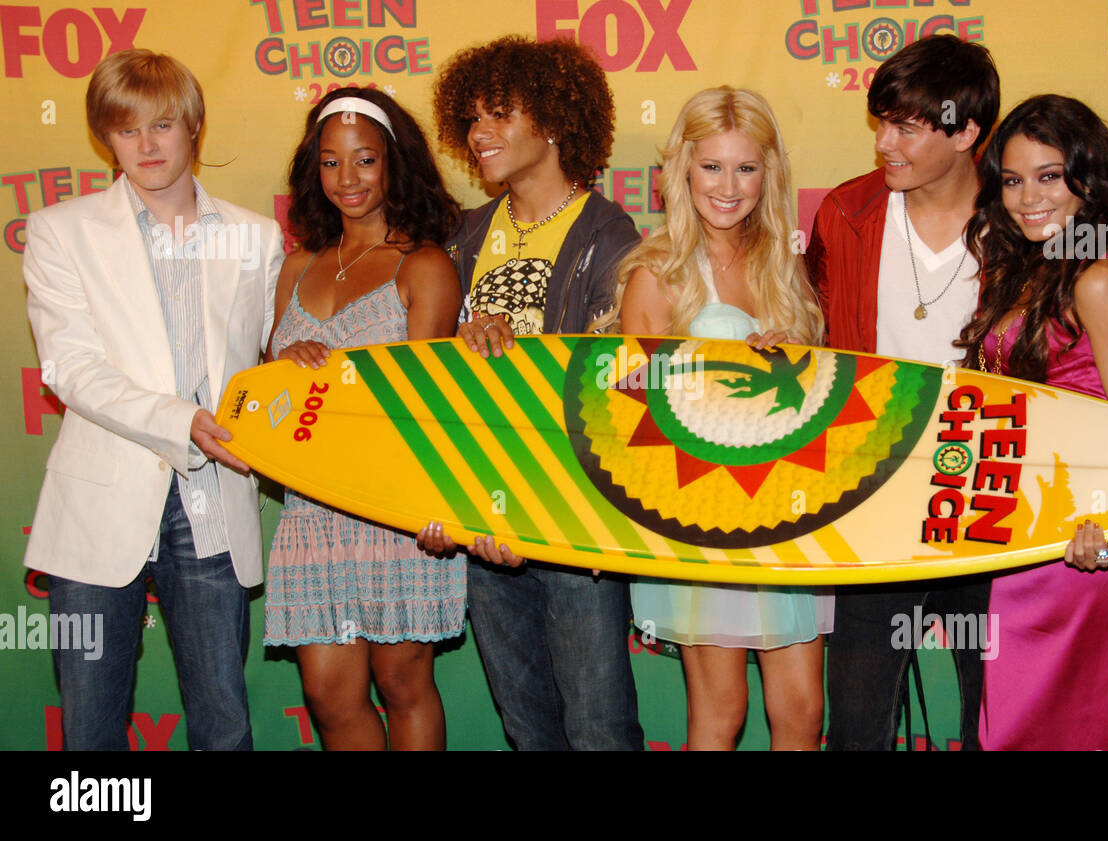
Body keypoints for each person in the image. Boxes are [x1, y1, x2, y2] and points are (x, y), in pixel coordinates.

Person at [22, 49, 284, 750]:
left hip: (214, 500)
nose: (145, 145)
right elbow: (71, 369)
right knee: (91, 730)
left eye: (162, 124)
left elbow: (274, 370)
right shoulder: (58, 233)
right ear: (105, 136)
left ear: (192, 126)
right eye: (126, 128)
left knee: (223, 725)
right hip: (99, 502)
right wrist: (185, 422)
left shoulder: (256, 239)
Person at [425, 35, 643, 750]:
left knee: (598, 728)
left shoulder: (609, 236)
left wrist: (536, 514)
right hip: (479, 512)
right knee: (529, 731)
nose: (478, 133)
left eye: (499, 115)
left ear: (552, 120)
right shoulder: (463, 236)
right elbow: (433, 377)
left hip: (568, 514)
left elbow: (607, 391)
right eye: (472, 118)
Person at [954, 94, 1108, 749]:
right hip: (1028, 539)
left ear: (1087, 181)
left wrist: (1105, 528)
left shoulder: (1097, 279)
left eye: (1049, 176)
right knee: (1024, 728)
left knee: (1102, 725)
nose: (1029, 196)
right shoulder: (1020, 273)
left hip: (1091, 544)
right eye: (1012, 179)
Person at [597, 86, 828, 750]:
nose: (729, 186)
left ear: (769, 172)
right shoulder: (657, 274)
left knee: (803, 713)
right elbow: (634, 420)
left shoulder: (784, 265)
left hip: (787, 509)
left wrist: (784, 369)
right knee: (720, 713)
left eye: (747, 168)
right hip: (702, 512)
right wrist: (725, 380)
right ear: (684, 170)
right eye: (712, 167)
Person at [806, 34, 1000, 750]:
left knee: (997, 713)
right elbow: (813, 336)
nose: (884, 143)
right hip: (876, 493)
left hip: (996, 499)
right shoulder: (847, 211)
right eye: (880, 122)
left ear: (966, 131)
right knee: (857, 721)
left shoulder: (1020, 224)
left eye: (907, 127)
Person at [263, 87, 465, 750]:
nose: (347, 179)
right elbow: (265, 406)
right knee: (328, 693)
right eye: (330, 162)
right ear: (312, 170)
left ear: (394, 164)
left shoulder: (424, 265)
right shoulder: (295, 268)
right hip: (312, 508)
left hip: (392, 508)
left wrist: (434, 505)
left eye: (365, 160)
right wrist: (281, 365)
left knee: (402, 682)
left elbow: (430, 406)